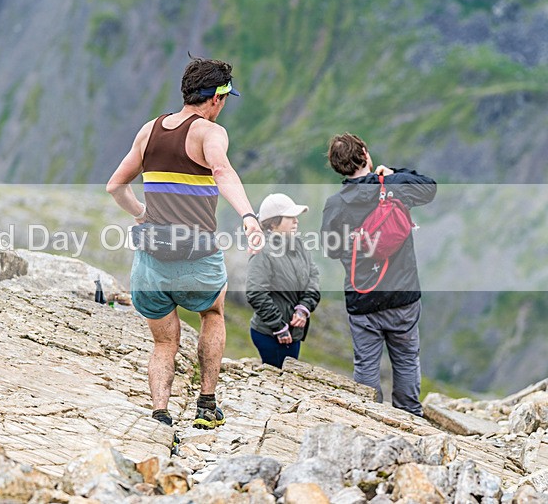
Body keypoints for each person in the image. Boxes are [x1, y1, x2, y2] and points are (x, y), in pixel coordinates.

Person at [107, 56, 263, 430]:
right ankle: (206, 405)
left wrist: (141, 214)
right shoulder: (210, 133)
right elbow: (222, 171)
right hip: (196, 255)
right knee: (212, 314)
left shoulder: (150, 131)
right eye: (224, 99)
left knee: (163, 343)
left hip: (151, 261)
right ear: (216, 98)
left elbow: (115, 186)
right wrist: (248, 216)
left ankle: (160, 413)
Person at [320, 132, 436, 416]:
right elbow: (429, 188)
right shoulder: (394, 187)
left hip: (362, 296)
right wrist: (395, 174)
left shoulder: (335, 205)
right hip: (403, 295)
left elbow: (330, 250)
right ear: (365, 154)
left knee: (366, 365)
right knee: (407, 359)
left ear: (337, 166)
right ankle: (410, 416)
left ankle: (369, 418)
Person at [246, 194, 320, 369]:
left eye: (296, 217)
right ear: (273, 223)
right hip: (272, 335)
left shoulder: (299, 245)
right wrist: (279, 326)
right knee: (277, 381)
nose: (296, 221)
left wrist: (303, 309)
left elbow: (313, 277)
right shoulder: (262, 251)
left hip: (293, 334)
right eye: (290, 217)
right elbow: (255, 293)